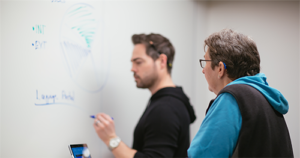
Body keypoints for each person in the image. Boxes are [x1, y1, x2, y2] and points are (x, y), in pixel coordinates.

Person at [188, 29, 293, 158]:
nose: (203, 70)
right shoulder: (268, 100)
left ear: (220, 68)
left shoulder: (232, 98)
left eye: (205, 62)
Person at [93, 33, 196, 158]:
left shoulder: (165, 108)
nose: (132, 69)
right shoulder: (172, 101)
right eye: (132, 63)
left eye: (138, 62)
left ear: (162, 61)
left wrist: (111, 139)